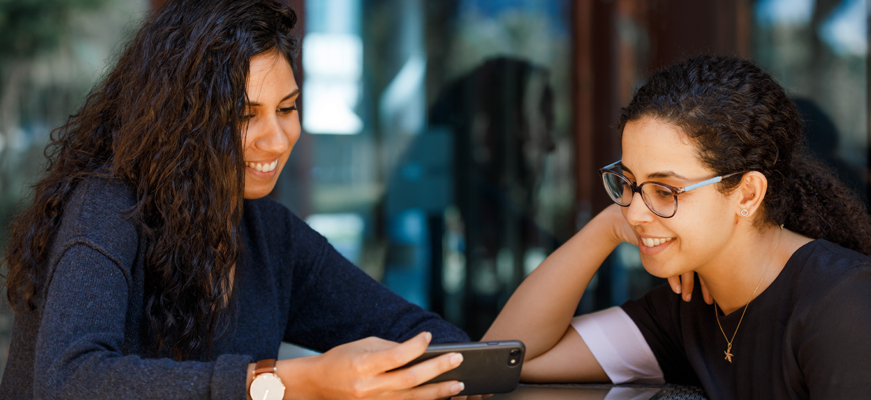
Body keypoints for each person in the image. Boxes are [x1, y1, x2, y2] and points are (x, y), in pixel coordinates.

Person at [0, 1, 471, 399]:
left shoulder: (272, 237)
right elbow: (68, 380)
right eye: (245, 116)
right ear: (181, 122)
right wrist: (286, 383)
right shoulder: (107, 207)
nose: (277, 139)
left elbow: (418, 333)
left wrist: (460, 369)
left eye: (286, 108)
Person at [481, 55, 871, 399]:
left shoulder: (844, 305)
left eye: (665, 190)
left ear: (748, 194)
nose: (635, 212)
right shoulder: (690, 306)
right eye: (630, 183)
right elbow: (508, 358)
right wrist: (607, 225)